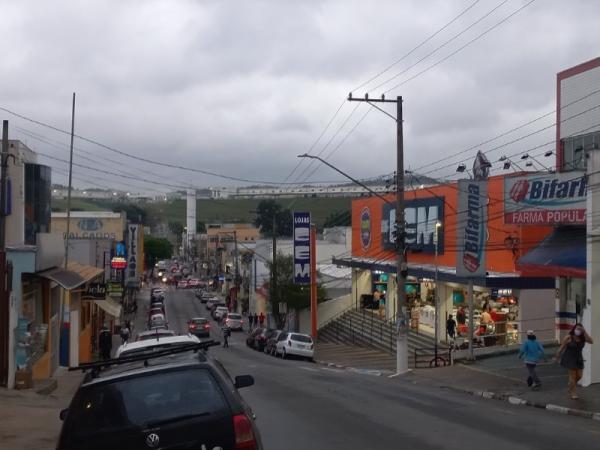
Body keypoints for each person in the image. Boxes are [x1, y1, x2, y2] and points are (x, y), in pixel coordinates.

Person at [556, 323, 594, 399]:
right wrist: (557, 357)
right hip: (569, 358)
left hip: (579, 358)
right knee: (572, 377)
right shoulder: (569, 337)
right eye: (577, 329)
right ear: (574, 329)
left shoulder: (583, 337)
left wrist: (584, 331)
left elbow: (591, 341)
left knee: (579, 376)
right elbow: (561, 348)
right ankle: (573, 393)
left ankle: (571, 385)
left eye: (580, 329)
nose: (578, 330)